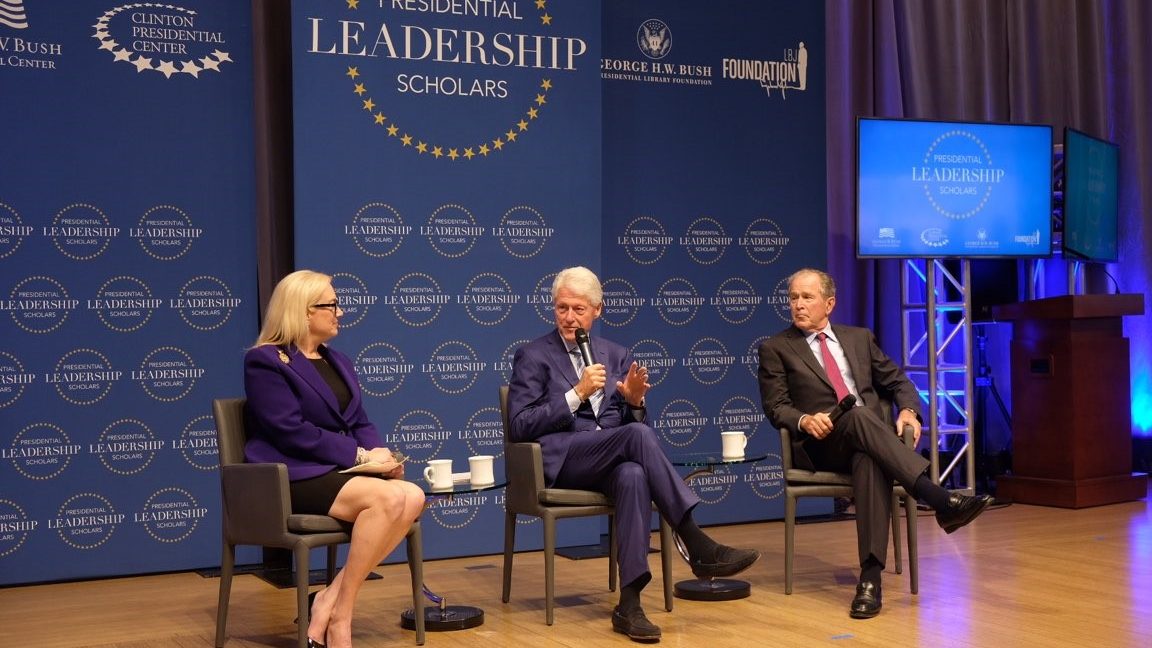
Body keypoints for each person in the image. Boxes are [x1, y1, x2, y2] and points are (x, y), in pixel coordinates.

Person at [508, 266, 760, 642]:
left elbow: (627, 423)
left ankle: (629, 605)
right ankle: (695, 540)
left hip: (607, 459)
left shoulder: (616, 354)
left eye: (578, 309)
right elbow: (519, 424)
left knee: (634, 475)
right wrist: (575, 393)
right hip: (561, 461)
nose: (569, 317)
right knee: (637, 437)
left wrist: (635, 401)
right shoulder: (533, 355)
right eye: (562, 308)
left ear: (597, 311)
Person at [757, 268, 992, 619]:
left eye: (807, 297)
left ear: (829, 303)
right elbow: (776, 407)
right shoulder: (776, 348)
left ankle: (870, 580)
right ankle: (937, 497)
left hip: (866, 441)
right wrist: (805, 420)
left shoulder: (859, 338)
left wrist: (910, 411)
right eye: (793, 298)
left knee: (868, 455)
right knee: (857, 413)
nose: (798, 305)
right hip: (822, 444)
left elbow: (898, 382)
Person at [244, 269, 426, 648]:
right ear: (304, 310)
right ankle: (341, 615)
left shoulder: (337, 359)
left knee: (413, 495)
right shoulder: (266, 361)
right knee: (392, 499)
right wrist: (359, 455)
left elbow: (359, 420)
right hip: (292, 476)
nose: (340, 312)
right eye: (332, 304)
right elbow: (289, 430)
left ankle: (330, 601)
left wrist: (382, 458)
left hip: (337, 469)